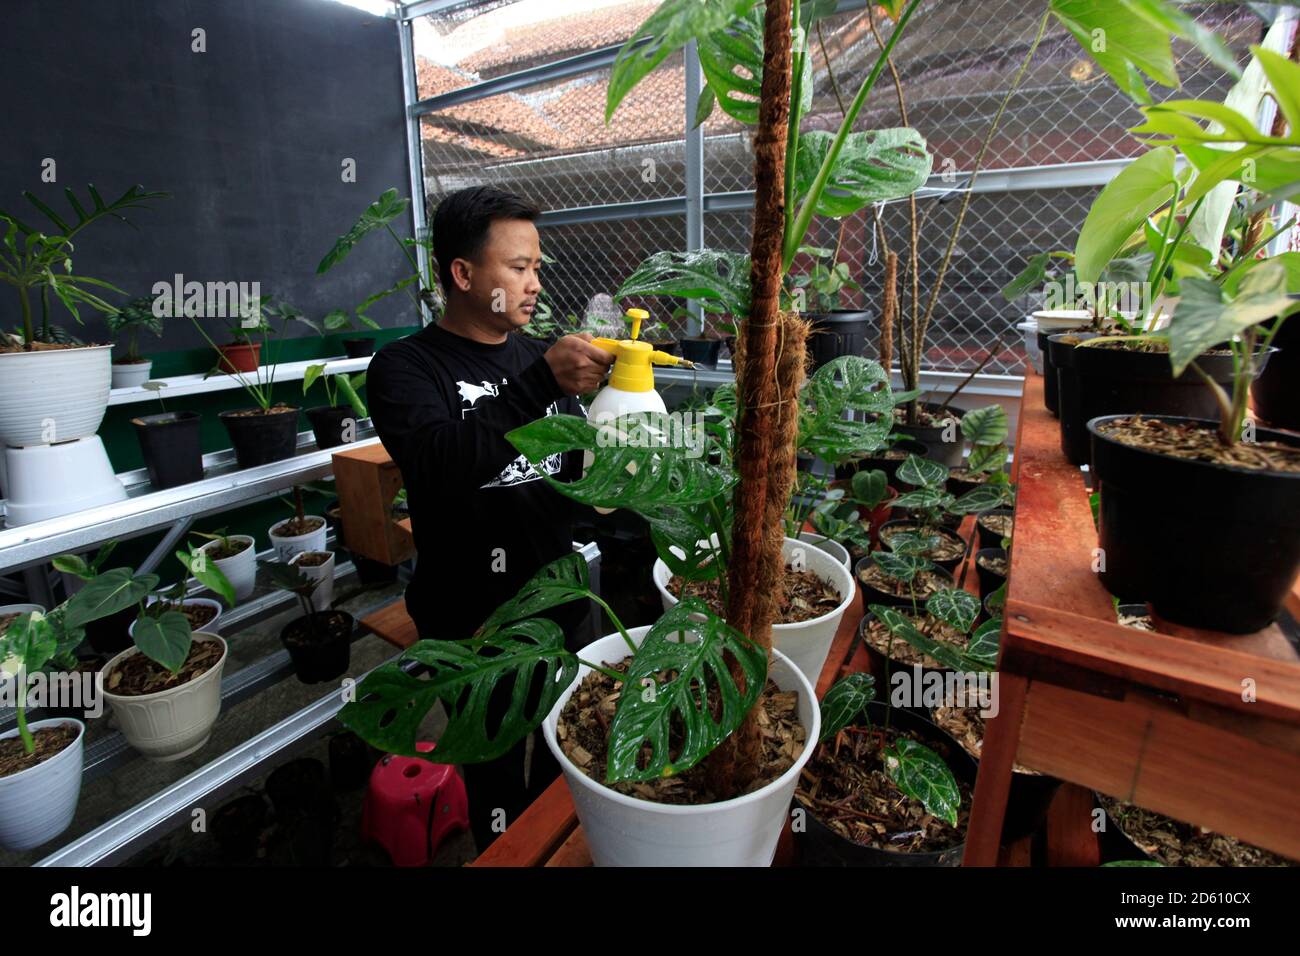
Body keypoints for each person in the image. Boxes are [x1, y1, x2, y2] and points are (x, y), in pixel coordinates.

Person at [365, 186, 615, 851]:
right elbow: (438, 466)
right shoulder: (405, 367)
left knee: (560, 748)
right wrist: (539, 386)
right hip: (472, 616)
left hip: (557, 600)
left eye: (537, 267)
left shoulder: (536, 358)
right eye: (517, 267)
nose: (533, 283)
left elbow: (567, 474)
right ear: (464, 274)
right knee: (495, 766)